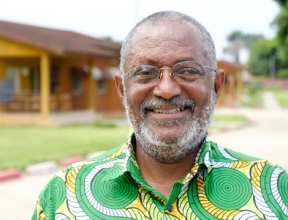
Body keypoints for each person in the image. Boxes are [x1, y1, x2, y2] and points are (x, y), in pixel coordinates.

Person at [32, 11, 288, 220]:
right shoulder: (64, 195)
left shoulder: (275, 191)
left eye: (188, 70)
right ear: (122, 89)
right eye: (145, 72)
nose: (166, 90)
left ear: (215, 86)